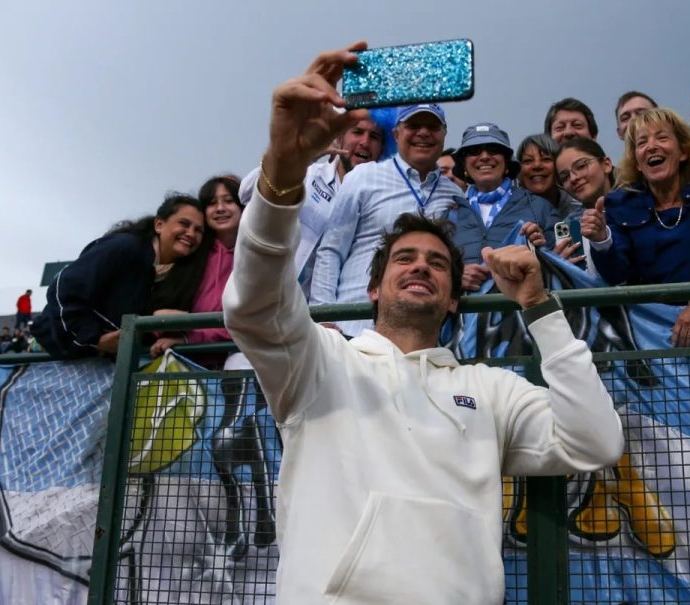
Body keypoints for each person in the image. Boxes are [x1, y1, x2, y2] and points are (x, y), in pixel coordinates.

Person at [222, 41, 623, 604]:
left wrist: (539, 309)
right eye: (404, 259)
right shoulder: (317, 365)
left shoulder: (488, 389)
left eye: (438, 262)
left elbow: (595, 442)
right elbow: (253, 304)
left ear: (454, 297)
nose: (420, 267)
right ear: (373, 287)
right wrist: (284, 168)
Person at [585, 108, 690, 346]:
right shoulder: (619, 205)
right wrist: (601, 240)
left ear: (683, 152)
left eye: (662, 138)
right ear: (638, 162)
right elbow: (617, 275)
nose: (651, 146)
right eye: (642, 143)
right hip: (646, 331)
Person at [309, 103, 464, 334]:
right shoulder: (364, 176)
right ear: (396, 133)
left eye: (432, 126)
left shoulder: (455, 195)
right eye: (413, 125)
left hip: (420, 335)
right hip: (354, 325)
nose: (423, 132)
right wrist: (324, 316)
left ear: (444, 134)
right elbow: (332, 250)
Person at [31, 194, 207, 358]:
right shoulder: (125, 246)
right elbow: (64, 290)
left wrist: (156, 321)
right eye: (184, 223)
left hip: (108, 360)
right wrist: (95, 339)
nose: (191, 233)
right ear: (159, 225)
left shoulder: (182, 275)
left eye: (198, 230)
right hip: (56, 350)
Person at [238, 112, 388, 297]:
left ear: (382, 149)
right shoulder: (308, 173)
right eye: (357, 132)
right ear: (340, 137)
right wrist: (303, 156)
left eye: (374, 137)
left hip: (326, 313)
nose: (365, 142)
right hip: (272, 298)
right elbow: (245, 193)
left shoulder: (382, 199)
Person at [447, 123, 562, 292]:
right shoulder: (448, 213)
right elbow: (432, 268)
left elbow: (562, 266)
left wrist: (542, 254)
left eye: (493, 149)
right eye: (474, 151)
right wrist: (454, 276)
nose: (485, 156)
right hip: (464, 316)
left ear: (508, 162)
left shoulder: (540, 207)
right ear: (464, 166)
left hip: (524, 314)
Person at [150, 175, 243, 358]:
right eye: (211, 203)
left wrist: (190, 338)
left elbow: (249, 323)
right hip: (182, 355)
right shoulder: (191, 249)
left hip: (234, 355)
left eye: (229, 201)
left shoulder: (254, 255)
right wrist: (164, 322)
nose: (220, 209)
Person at [553, 136, 617, 277]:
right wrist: (562, 270)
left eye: (581, 166)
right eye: (564, 177)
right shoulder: (570, 225)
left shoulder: (637, 205)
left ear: (606, 164)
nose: (573, 178)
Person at [516, 133, 582, 218]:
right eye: (528, 160)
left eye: (546, 159)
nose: (537, 166)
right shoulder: (506, 210)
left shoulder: (579, 209)